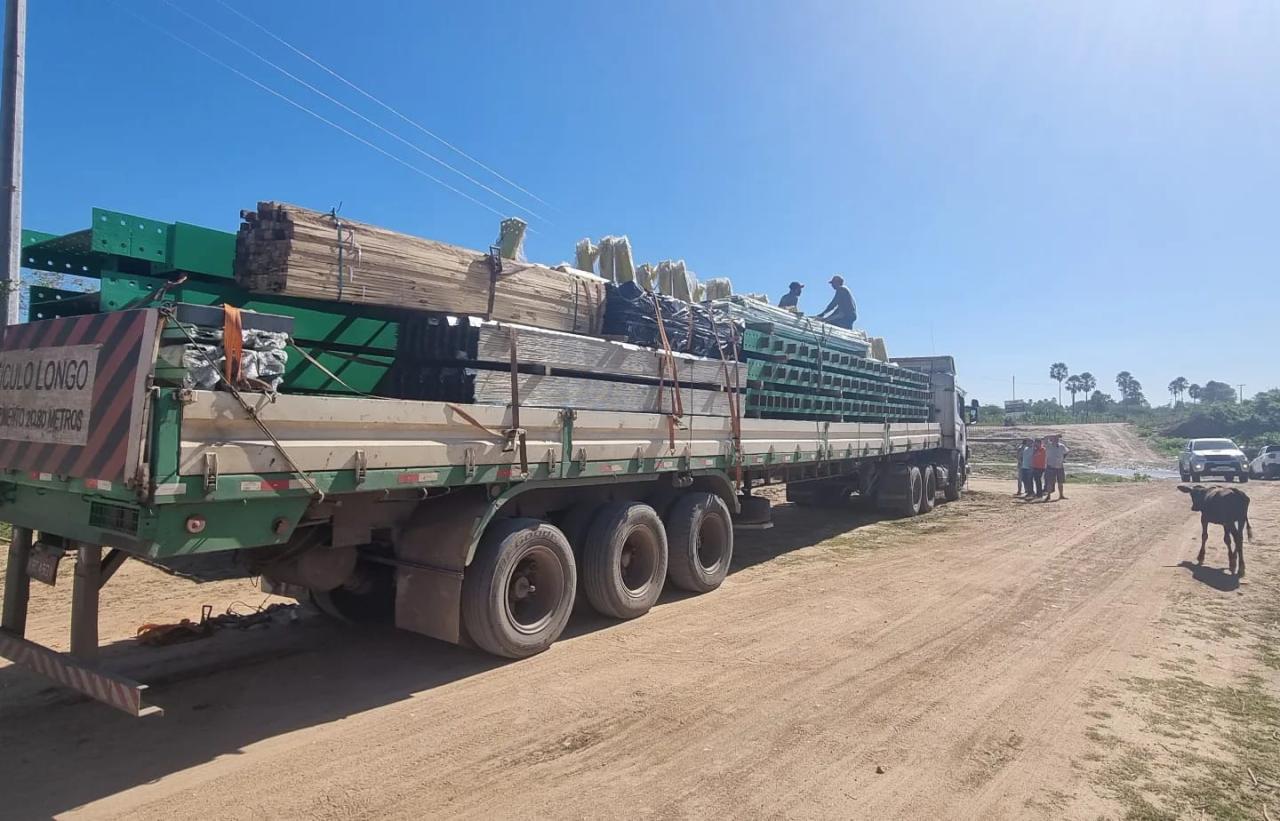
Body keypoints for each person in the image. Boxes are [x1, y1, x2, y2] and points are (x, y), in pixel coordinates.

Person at [1044, 434, 1069, 500]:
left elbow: (1066, 452)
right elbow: (1045, 438)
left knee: (1060, 482)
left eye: (1057, 438)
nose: (1056, 439)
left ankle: (1061, 495)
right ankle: (1048, 495)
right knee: (1049, 482)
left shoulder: (1061, 446)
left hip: (1059, 466)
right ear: (1052, 439)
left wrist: (1062, 459)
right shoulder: (1048, 445)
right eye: (1055, 438)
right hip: (1051, 466)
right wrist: (1052, 435)